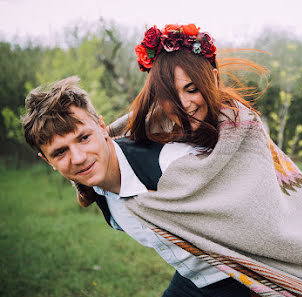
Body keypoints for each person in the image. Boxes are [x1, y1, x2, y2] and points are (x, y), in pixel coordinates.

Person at [103, 23, 302, 297]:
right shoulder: (156, 123)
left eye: (192, 89)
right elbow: (113, 144)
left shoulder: (243, 127)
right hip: (201, 266)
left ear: (210, 80)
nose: (185, 103)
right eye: (173, 94)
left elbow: (261, 211)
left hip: (252, 261)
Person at [21, 76, 253, 297]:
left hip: (242, 276)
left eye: (84, 138)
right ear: (47, 161)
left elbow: (251, 214)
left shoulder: (170, 164)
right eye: (60, 152)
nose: (79, 158)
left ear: (102, 128)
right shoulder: (96, 191)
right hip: (192, 277)